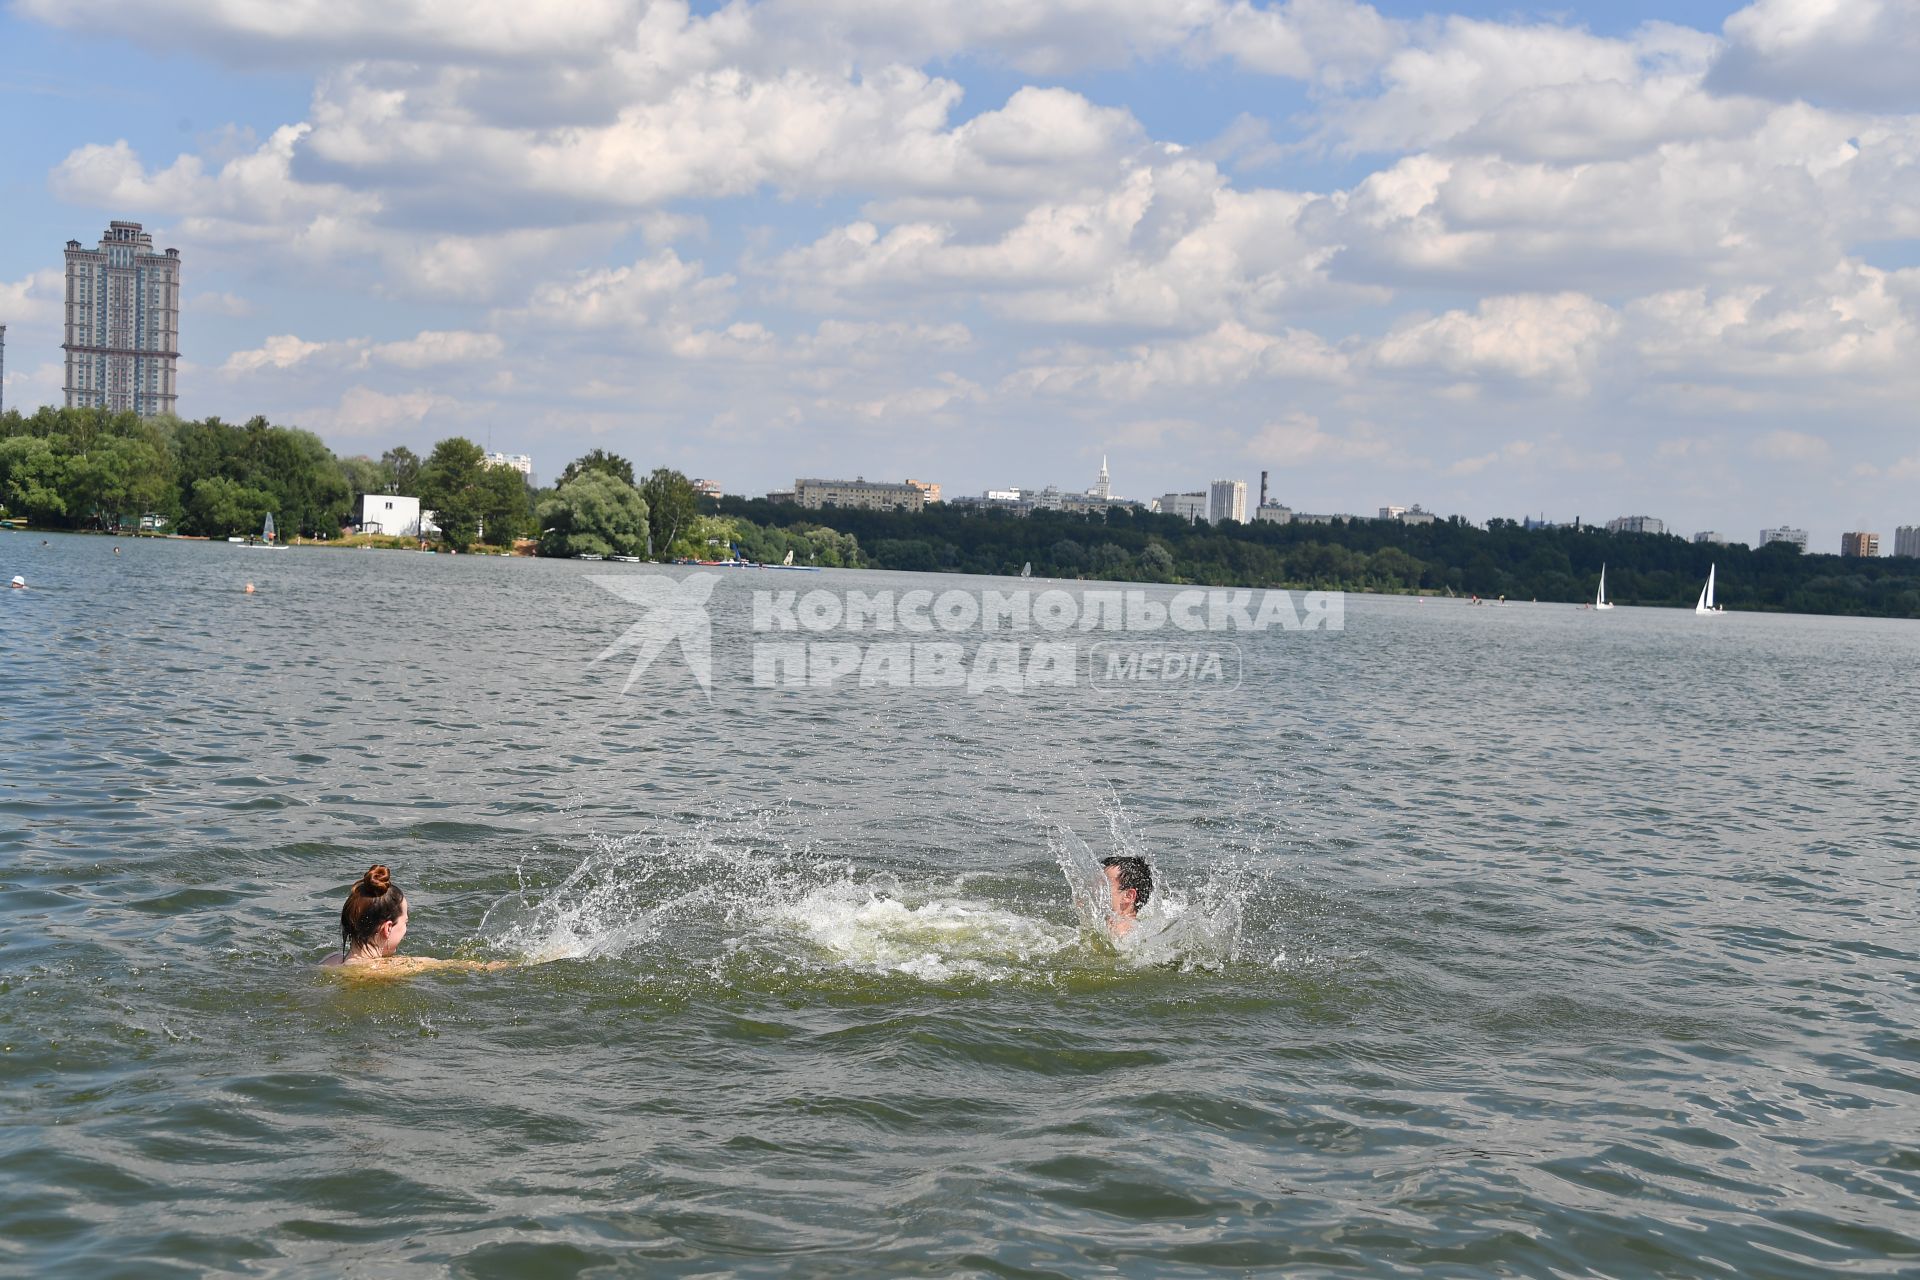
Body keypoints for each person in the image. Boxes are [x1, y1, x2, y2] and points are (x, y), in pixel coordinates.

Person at [323, 863, 505, 974]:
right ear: (387, 928)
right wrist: (490, 967)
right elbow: (450, 966)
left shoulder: (330, 960)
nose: (406, 930)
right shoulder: (394, 968)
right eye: (405, 923)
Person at [1099, 855, 1153, 938]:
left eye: (1105, 886)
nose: (1098, 890)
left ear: (1128, 896)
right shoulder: (1136, 926)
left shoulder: (1119, 929)